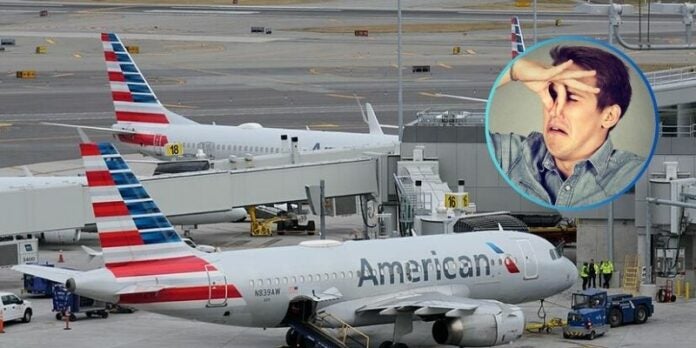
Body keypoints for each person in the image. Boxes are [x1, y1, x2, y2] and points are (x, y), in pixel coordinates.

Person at [489, 45, 645, 207]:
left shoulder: (633, 176)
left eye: (571, 98)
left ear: (609, 116)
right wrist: (515, 71)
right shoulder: (509, 156)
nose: (555, 109)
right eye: (552, 94)